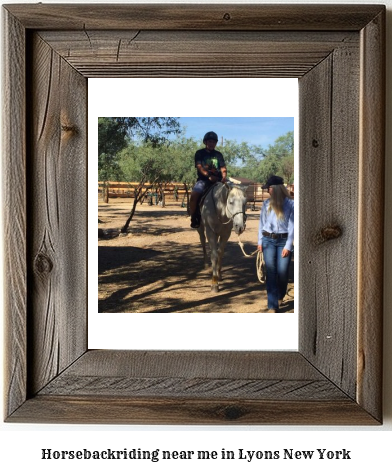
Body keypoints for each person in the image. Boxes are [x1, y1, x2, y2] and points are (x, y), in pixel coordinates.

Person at [258, 175, 294, 313]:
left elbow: (293, 227)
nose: (267, 191)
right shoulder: (266, 204)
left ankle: (280, 295)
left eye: (269, 188)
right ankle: (272, 305)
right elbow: (262, 223)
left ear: (276, 188)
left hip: (284, 241)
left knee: (283, 272)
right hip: (268, 240)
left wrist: (288, 246)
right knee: (271, 272)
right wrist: (260, 241)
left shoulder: (291, 204)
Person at [189, 131, 227, 228]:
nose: (212, 144)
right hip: (203, 180)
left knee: (234, 192)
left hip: (218, 180)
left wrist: (224, 177)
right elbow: (199, 167)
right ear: (205, 142)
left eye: (214, 142)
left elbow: (223, 168)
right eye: (210, 141)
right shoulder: (199, 153)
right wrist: (208, 176)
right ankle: (194, 217)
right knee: (194, 195)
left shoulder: (218, 155)